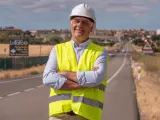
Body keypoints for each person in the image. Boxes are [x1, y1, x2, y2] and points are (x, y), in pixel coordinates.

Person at [43, 3, 108, 120]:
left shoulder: (100, 52)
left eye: (85, 22)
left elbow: (97, 78)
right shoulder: (57, 49)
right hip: (59, 115)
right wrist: (84, 83)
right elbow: (48, 78)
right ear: (71, 23)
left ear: (92, 28)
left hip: (86, 115)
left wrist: (65, 74)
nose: (79, 25)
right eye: (76, 21)